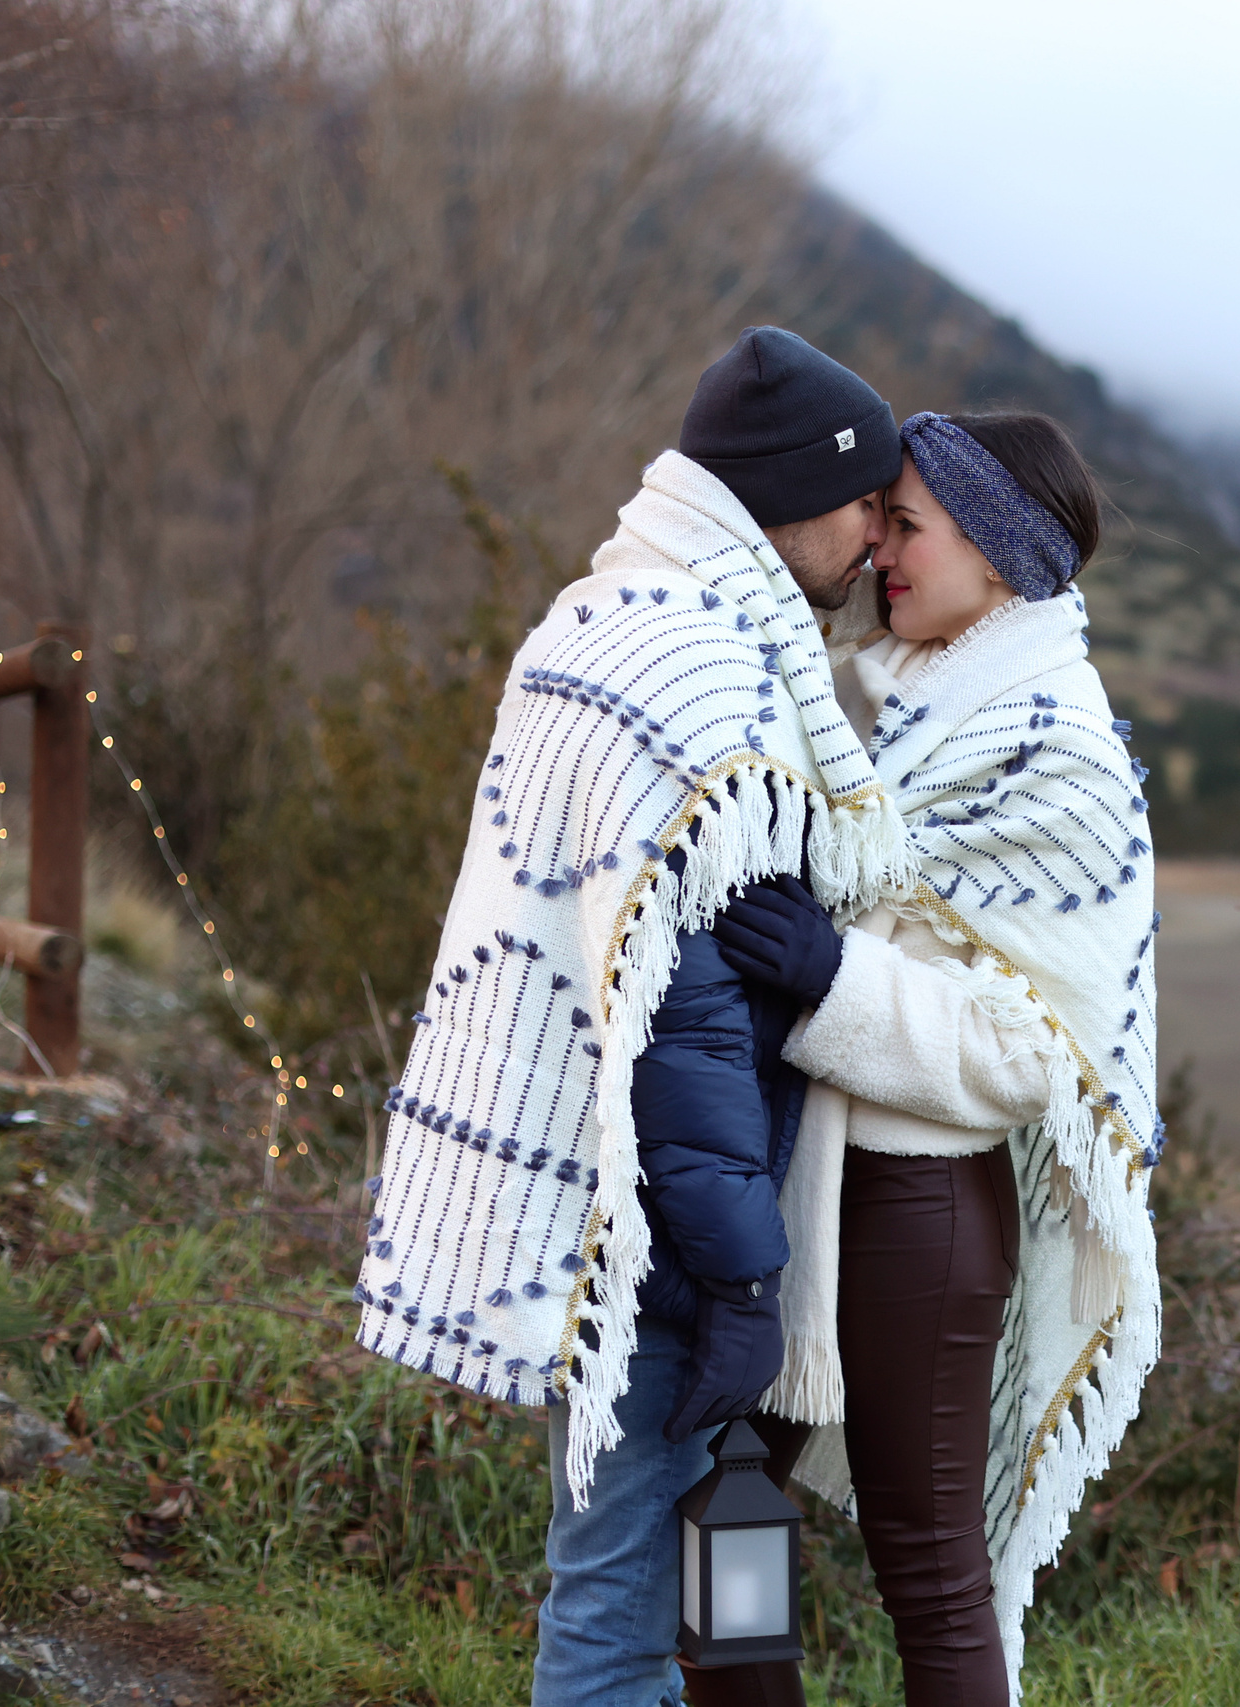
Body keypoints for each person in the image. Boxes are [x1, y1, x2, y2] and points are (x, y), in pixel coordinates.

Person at [351, 327, 918, 1707]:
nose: (875, 544)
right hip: (656, 1226)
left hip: (591, 1197)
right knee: (620, 1610)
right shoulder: (711, 673)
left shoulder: (598, 618)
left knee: (634, 1583)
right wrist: (736, 1277)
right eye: (866, 508)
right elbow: (684, 1014)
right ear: (798, 492)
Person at [702, 411, 1166, 1707]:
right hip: (776, 1177)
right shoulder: (851, 691)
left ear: (999, 553)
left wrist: (827, 977)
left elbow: (1030, 1053)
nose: (877, 550)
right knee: (719, 1505)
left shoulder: (1057, 755)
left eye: (905, 525)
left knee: (928, 1565)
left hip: (916, 1207)